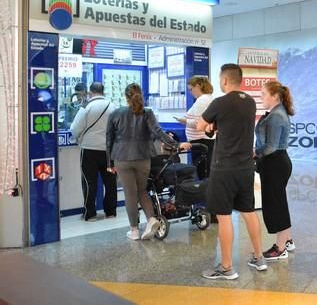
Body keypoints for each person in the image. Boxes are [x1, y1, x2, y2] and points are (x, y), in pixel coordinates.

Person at [196, 64, 267, 280]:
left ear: (225, 80)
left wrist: (210, 126)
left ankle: (226, 267)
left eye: (220, 79)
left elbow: (200, 126)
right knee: (248, 211)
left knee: (224, 216)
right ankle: (258, 258)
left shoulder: (220, 102)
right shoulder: (250, 102)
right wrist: (217, 125)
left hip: (224, 168)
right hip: (246, 166)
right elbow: (232, 125)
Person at [106, 83, 191, 241]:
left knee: (130, 194)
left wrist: (109, 163)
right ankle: (151, 219)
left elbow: (109, 139)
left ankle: (134, 231)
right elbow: (158, 133)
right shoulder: (147, 113)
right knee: (142, 190)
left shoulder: (115, 114)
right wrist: (177, 145)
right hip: (143, 157)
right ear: (141, 95)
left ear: (126, 96)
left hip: (122, 158)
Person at [255, 81, 295, 260]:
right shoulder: (275, 113)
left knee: (276, 204)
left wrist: (254, 153)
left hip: (275, 163)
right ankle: (287, 240)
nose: (261, 97)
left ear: (275, 96)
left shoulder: (277, 116)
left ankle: (280, 248)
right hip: (275, 163)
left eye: (263, 94)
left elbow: (270, 146)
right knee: (279, 202)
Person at [70, 82, 117, 221]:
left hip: (89, 150)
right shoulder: (112, 106)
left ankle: (90, 213)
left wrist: (80, 138)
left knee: (89, 181)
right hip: (108, 151)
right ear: (103, 91)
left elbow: (74, 129)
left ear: (90, 93)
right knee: (110, 182)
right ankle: (111, 212)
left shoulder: (86, 106)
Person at [175, 76, 216, 179]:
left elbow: (199, 123)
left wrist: (185, 121)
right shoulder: (209, 98)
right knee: (205, 170)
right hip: (206, 140)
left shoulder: (202, 101)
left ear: (198, 86)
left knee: (202, 171)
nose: (190, 92)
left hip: (201, 140)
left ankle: (204, 194)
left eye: (191, 89)